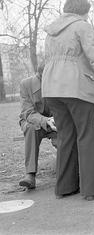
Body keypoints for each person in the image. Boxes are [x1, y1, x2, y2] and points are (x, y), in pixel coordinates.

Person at [41, 0, 94, 200]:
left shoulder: (51, 31)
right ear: (83, 11)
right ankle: (92, 189)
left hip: (51, 88)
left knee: (66, 136)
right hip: (75, 87)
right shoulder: (82, 25)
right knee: (86, 135)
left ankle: (65, 187)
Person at [18, 61, 57, 189]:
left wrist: (58, 121)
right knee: (31, 129)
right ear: (39, 75)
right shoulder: (26, 84)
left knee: (65, 137)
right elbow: (28, 113)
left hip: (56, 123)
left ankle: (68, 171)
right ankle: (30, 175)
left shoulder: (59, 82)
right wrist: (46, 121)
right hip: (33, 122)